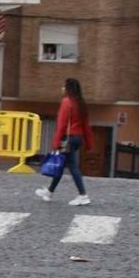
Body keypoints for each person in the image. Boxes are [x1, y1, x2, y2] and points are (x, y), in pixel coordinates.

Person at [37, 77, 95, 205]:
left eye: (64, 86)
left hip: (68, 138)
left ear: (68, 89)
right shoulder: (81, 103)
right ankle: (49, 192)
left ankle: (83, 195)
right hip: (77, 138)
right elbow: (86, 125)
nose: (62, 88)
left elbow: (62, 125)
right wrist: (89, 143)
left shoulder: (66, 102)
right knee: (61, 165)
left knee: (72, 166)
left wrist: (56, 142)